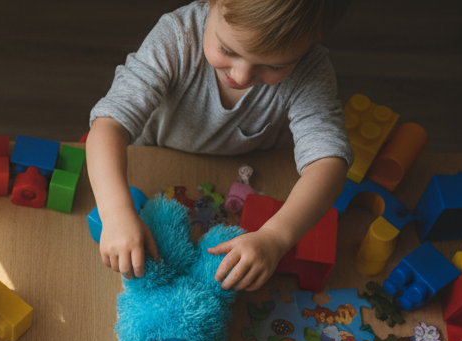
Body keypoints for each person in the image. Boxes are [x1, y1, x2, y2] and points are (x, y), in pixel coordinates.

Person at [87, 0, 353, 289]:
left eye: (274, 65)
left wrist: (276, 237)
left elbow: (329, 163)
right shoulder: (178, 36)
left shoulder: (311, 69)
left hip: (254, 168)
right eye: (228, 50)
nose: (241, 76)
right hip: (158, 153)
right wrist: (114, 214)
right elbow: (108, 125)